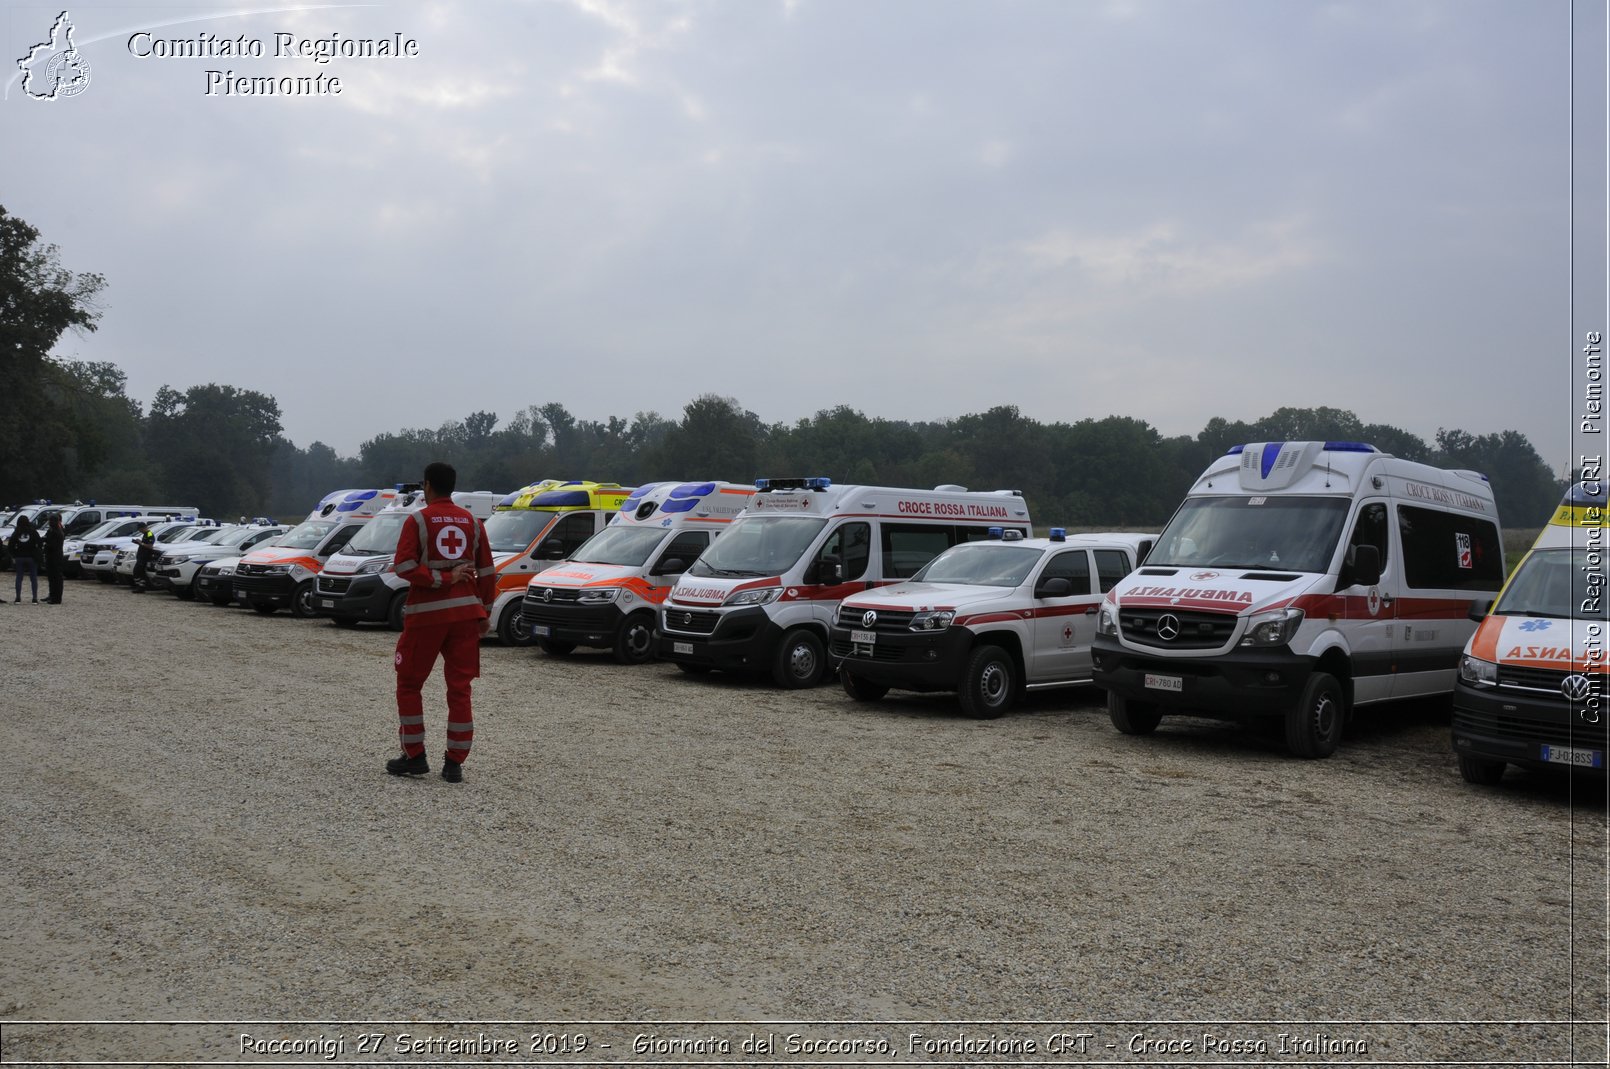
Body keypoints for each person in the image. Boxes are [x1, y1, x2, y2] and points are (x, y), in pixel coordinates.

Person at [386, 462, 496, 784]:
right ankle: (454, 765)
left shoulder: (418, 519)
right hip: (465, 616)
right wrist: (484, 614)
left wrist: (440, 578)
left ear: (428, 486)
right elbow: (488, 573)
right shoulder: (474, 523)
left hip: (427, 617)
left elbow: (403, 565)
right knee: (459, 690)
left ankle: (415, 756)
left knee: (409, 684)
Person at [8, 515, 41, 603]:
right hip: (31, 557)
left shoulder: (16, 532)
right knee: (33, 578)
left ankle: (18, 598)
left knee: (19, 577)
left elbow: (10, 545)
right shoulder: (33, 531)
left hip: (19, 557)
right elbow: (39, 542)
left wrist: (14, 554)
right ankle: (34, 598)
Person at [43, 514, 65, 604]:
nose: (49, 523)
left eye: (51, 521)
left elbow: (53, 545)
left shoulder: (57, 532)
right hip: (51, 556)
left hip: (55, 557)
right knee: (51, 578)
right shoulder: (52, 531)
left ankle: (56, 598)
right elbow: (46, 538)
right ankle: (52, 595)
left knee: (56, 578)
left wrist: (45, 545)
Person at [130, 528, 157, 593]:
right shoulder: (145, 534)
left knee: (137, 571)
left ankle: (141, 586)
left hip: (144, 557)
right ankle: (141, 587)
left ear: (143, 528)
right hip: (141, 556)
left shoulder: (149, 534)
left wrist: (140, 543)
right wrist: (138, 543)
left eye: (140, 529)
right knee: (141, 573)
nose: (140, 531)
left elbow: (150, 546)